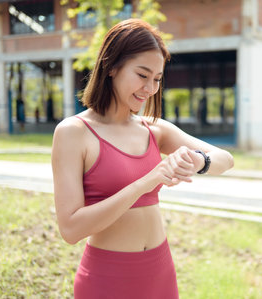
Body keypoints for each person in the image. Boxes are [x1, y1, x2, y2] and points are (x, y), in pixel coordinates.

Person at [51, 19, 234, 299]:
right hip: (107, 278)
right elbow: (70, 229)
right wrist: (145, 182)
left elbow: (226, 159)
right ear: (111, 67)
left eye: (158, 79)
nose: (150, 88)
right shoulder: (73, 132)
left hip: (160, 272)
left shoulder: (154, 129)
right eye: (142, 75)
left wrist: (199, 161)